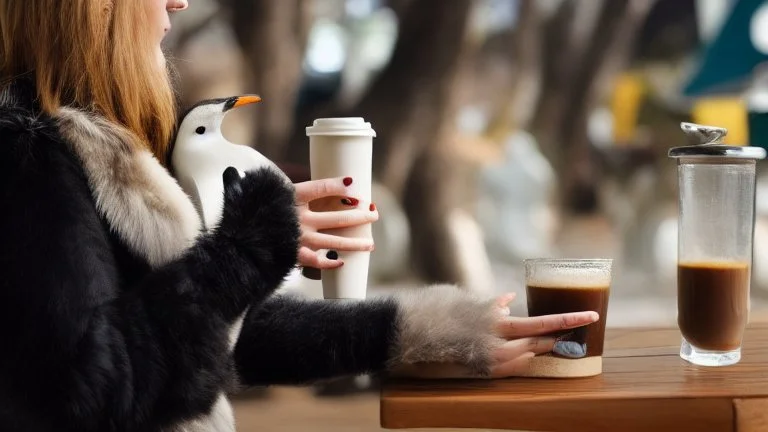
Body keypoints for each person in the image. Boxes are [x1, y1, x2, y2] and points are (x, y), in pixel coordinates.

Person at [0, 1, 599, 431]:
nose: (178, 4)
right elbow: (84, 389)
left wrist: (433, 333)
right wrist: (245, 247)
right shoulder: (23, 157)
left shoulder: (84, 143)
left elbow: (206, 341)